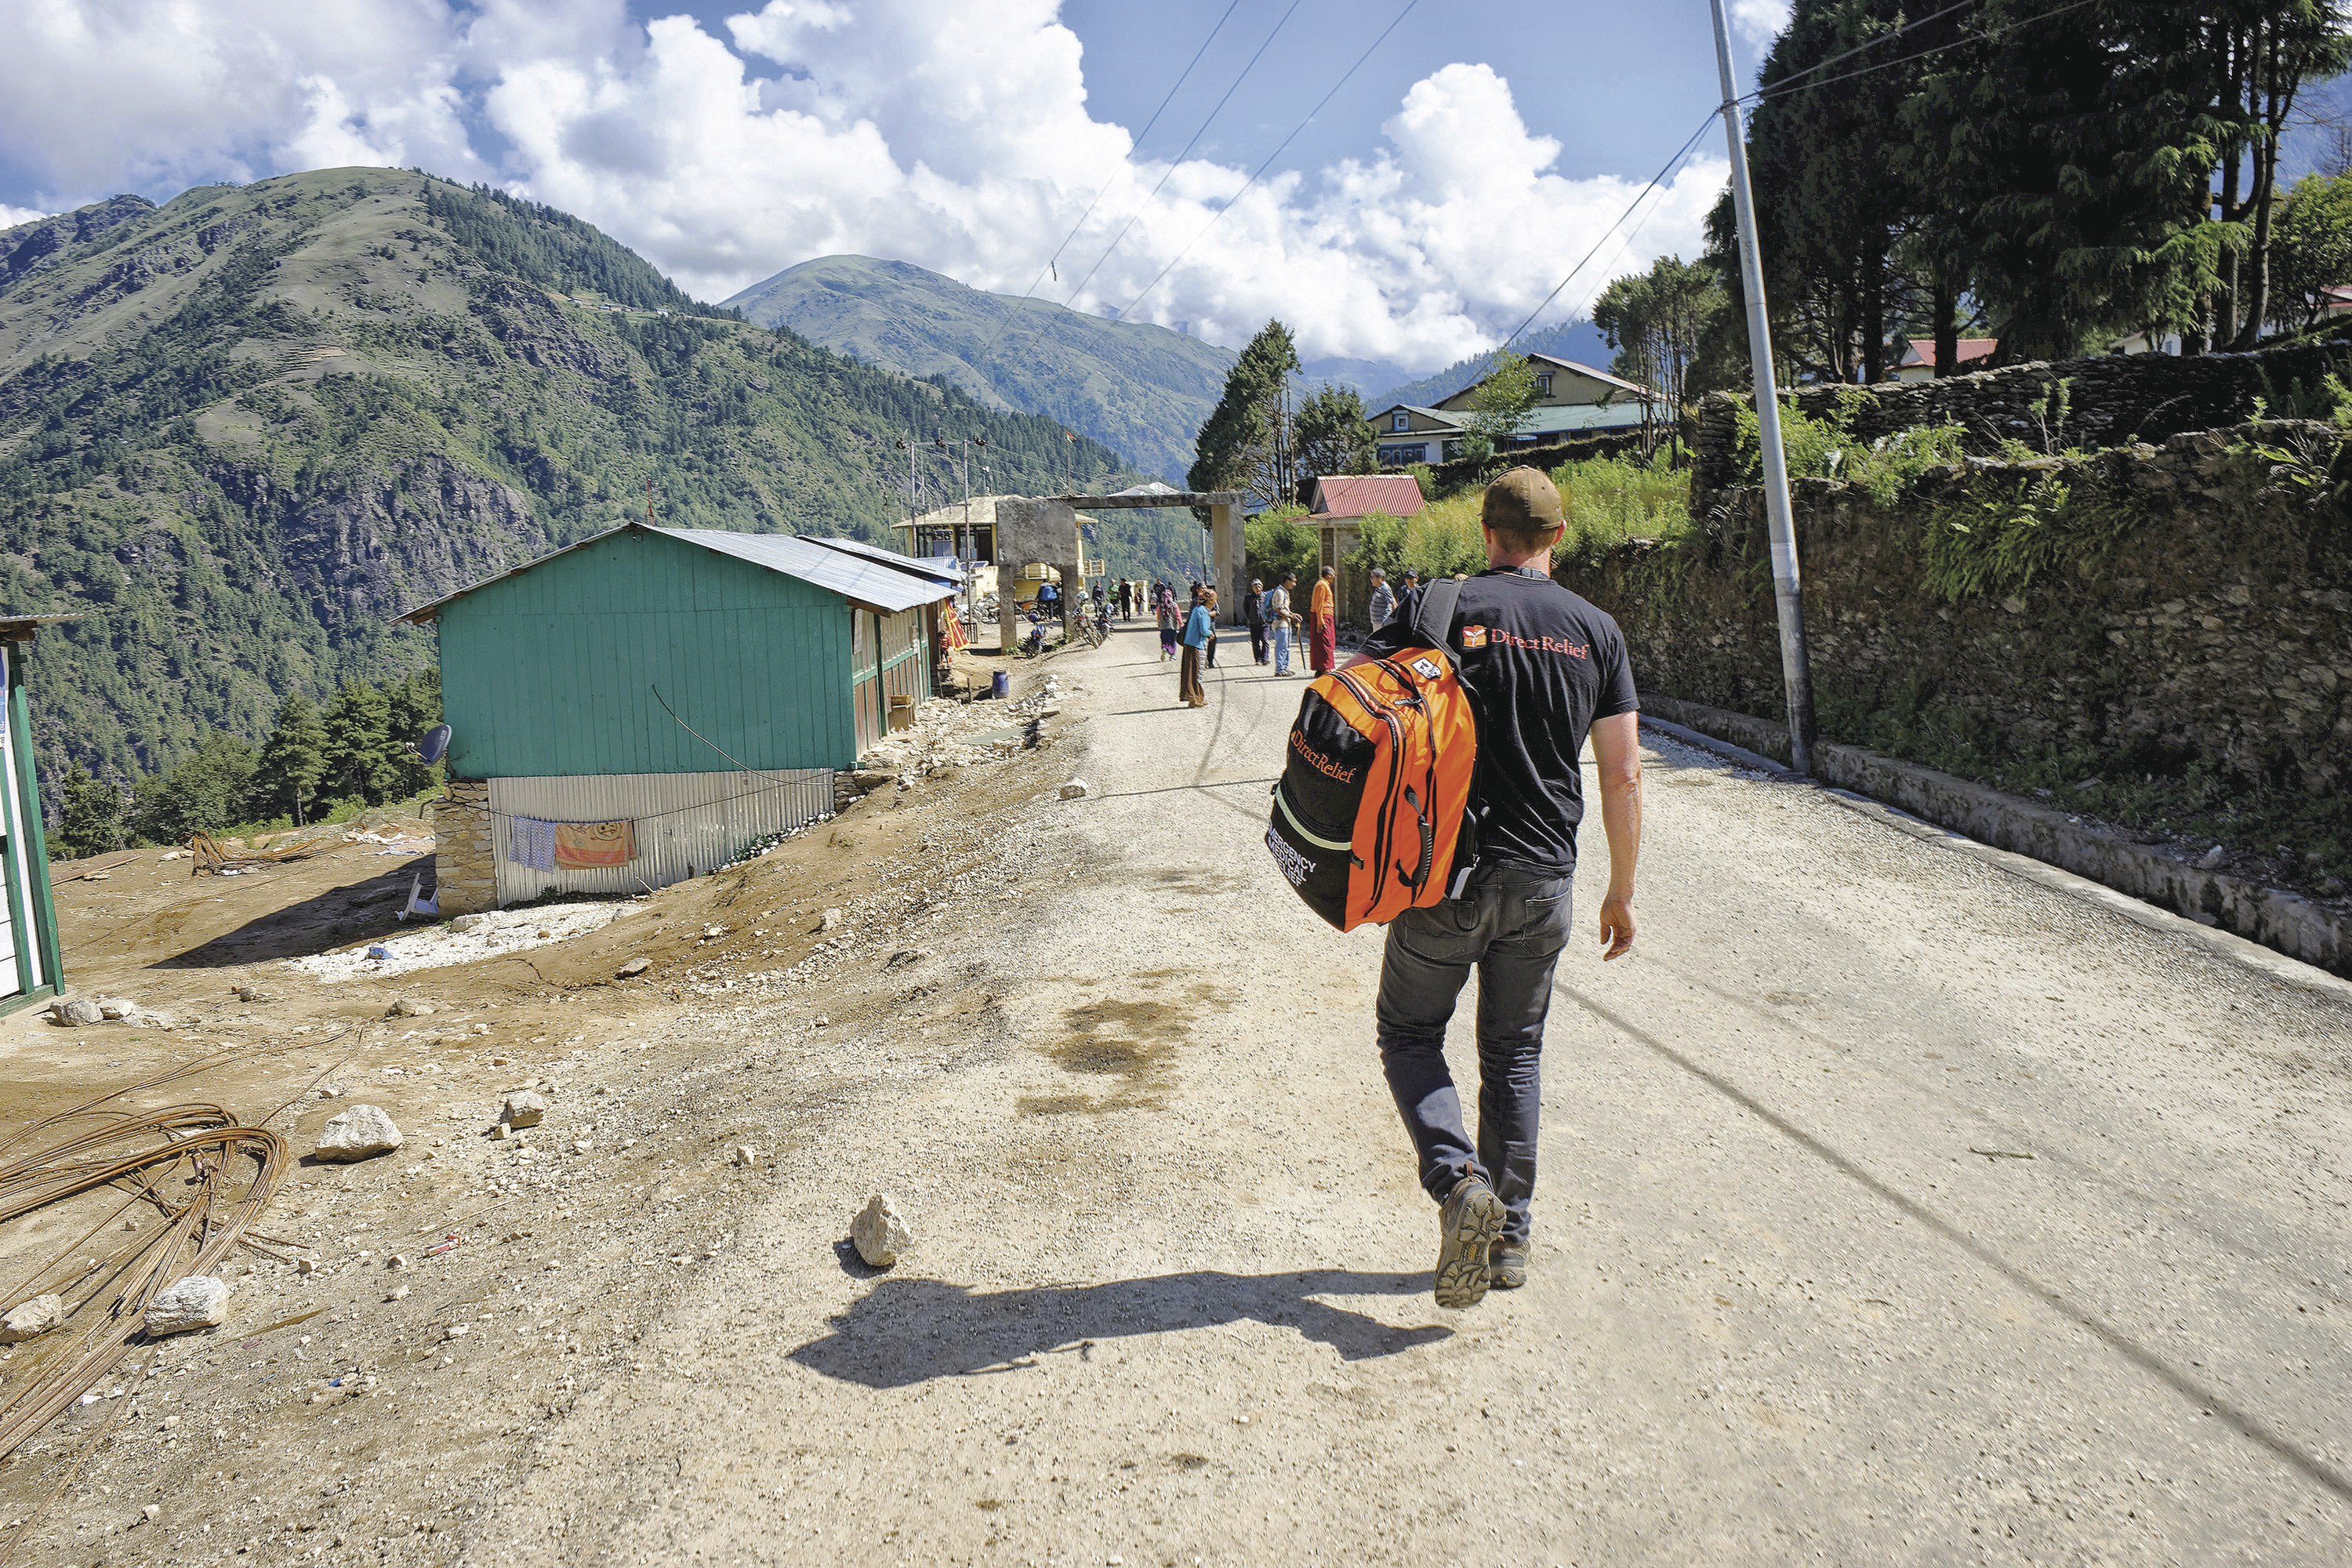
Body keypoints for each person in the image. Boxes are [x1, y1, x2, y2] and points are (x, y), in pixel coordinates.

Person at [1347, 466, 1642, 1311]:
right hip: (1546, 878)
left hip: (1443, 875)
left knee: (1408, 1029)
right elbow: (1620, 776)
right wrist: (1622, 889)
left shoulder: (1439, 607)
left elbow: (1369, 717)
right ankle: (1509, 1235)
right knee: (1514, 1051)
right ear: (1558, 538)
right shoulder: (1597, 630)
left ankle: (1457, 1183)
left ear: (1485, 535)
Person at [1178, 586, 1216, 707]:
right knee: (1196, 672)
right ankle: (1194, 699)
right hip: (1196, 645)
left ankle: (1198, 697)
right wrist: (1211, 634)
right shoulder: (1203, 611)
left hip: (1190, 644)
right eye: (1214, 600)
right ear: (1210, 600)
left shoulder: (1197, 609)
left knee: (1191, 672)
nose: (1215, 602)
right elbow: (1204, 630)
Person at [1307, 565, 1338, 675]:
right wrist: (1320, 620)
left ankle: (1321, 668)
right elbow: (1319, 604)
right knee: (1325, 642)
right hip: (1323, 616)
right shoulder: (1321, 585)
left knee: (1324, 642)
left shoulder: (1325, 584)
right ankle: (1323, 668)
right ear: (1329, 575)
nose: (1334, 577)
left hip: (1326, 615)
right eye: (1333, 574)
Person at [1268, 572, 1298, 675]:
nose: (1294, 584)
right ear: (1287, 581)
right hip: (1280, 624)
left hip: (1286, 623)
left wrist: (1293, 615)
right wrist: (1291, 617)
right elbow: (1279, 610)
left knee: (1286, 647)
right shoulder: (1280, 592)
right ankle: (1280, 669)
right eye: (1293, 582)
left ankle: (1284, 668)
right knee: (1281, 646)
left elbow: (1285, 609)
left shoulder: (1285, 592)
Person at [1245, 578, 1269, 665]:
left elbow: (1269, 608)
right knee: (1255, 642)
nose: (1258, 589)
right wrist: (1250, 618)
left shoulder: (1265, 596)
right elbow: (1246, 609)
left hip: (1264, 623)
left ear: (1262, 587)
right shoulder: (1249, 597)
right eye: (1256, 587)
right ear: (1252, 588)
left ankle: (1265, 658)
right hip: (1253, 623)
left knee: (1265, 640)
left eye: (1259, 587)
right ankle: (1258, 659)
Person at [1156, 581, 1180, 661]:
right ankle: (1172, 655)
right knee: (1172, 640)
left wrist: (1159, 624)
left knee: (1164, 639)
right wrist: (1181, 624)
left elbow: (1158, 616)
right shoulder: (1174, 605)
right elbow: (1178, 616)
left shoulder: (1160, 605)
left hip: (1163, 626)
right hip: (1172, 626)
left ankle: (1164, 648)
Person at [1367, 567, 1395, 632]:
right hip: (1377, 622)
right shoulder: (1379, 588)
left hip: (1381, 623)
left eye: (1372, 577)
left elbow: (1391, 604)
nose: (1371, 579)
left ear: (1380, 577)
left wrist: (1385, 622)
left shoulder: (1385, 588)